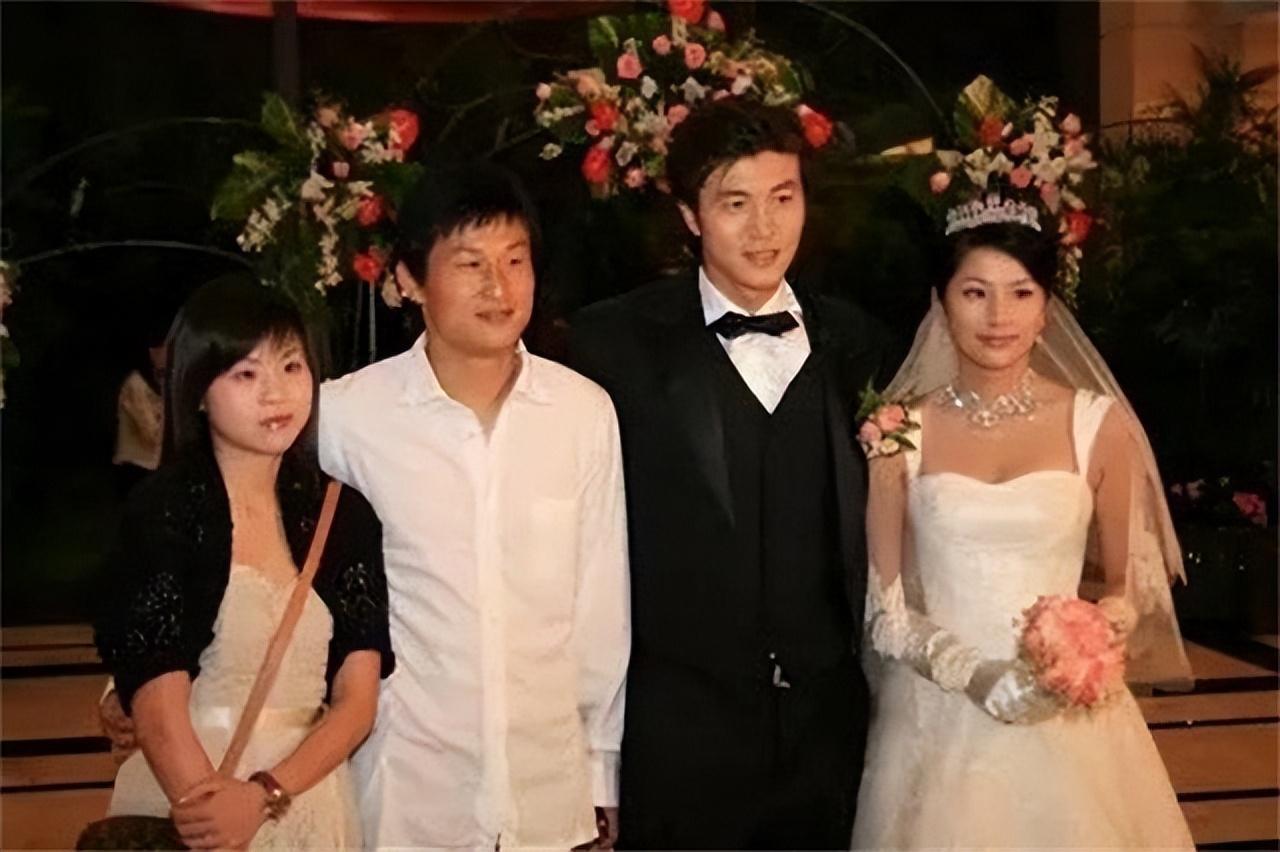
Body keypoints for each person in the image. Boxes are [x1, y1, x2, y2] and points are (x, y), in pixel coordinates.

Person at [568, 99, 893, 850]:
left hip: (828, 735)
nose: (764, 228)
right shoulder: (612, 346)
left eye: (783, 198)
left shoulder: (861, 344)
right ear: (690, 214)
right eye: (735, 204)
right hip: (681, 741)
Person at [851, 211, 1195, 847]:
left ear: (1046, 311)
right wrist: (974, 674)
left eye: (1020, 293)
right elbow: (887, 611)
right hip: (942, 713)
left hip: (1066, 713)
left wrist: (1081, 648)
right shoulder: (899, 432)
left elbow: (1124, 591)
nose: (998, 316)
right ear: (941, 305)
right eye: (974, 293)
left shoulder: (1099, 425)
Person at [319, 161, 630, 850]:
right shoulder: (347, 418)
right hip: (406, 799)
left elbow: (600, 613)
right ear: (409, 279)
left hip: (547, 799)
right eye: (470, 263)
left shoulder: (582, 414)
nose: (499, 286)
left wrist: (599, 774)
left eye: (515, 260)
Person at [94, 275, 394, 850]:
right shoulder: (165, 510)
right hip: (184, 800)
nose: (275, 393)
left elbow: (357, 701)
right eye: (246, 374)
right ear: (198, 389)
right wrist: (211, 819)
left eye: (291, 366)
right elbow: (156, 700)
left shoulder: (343, 514)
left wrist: (265, 795)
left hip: (304, 799)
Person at [112, 330, 166, 495]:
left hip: (153, 468)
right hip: (137, 468)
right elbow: (152, 432)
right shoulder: (136, 385)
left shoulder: (162, 380)